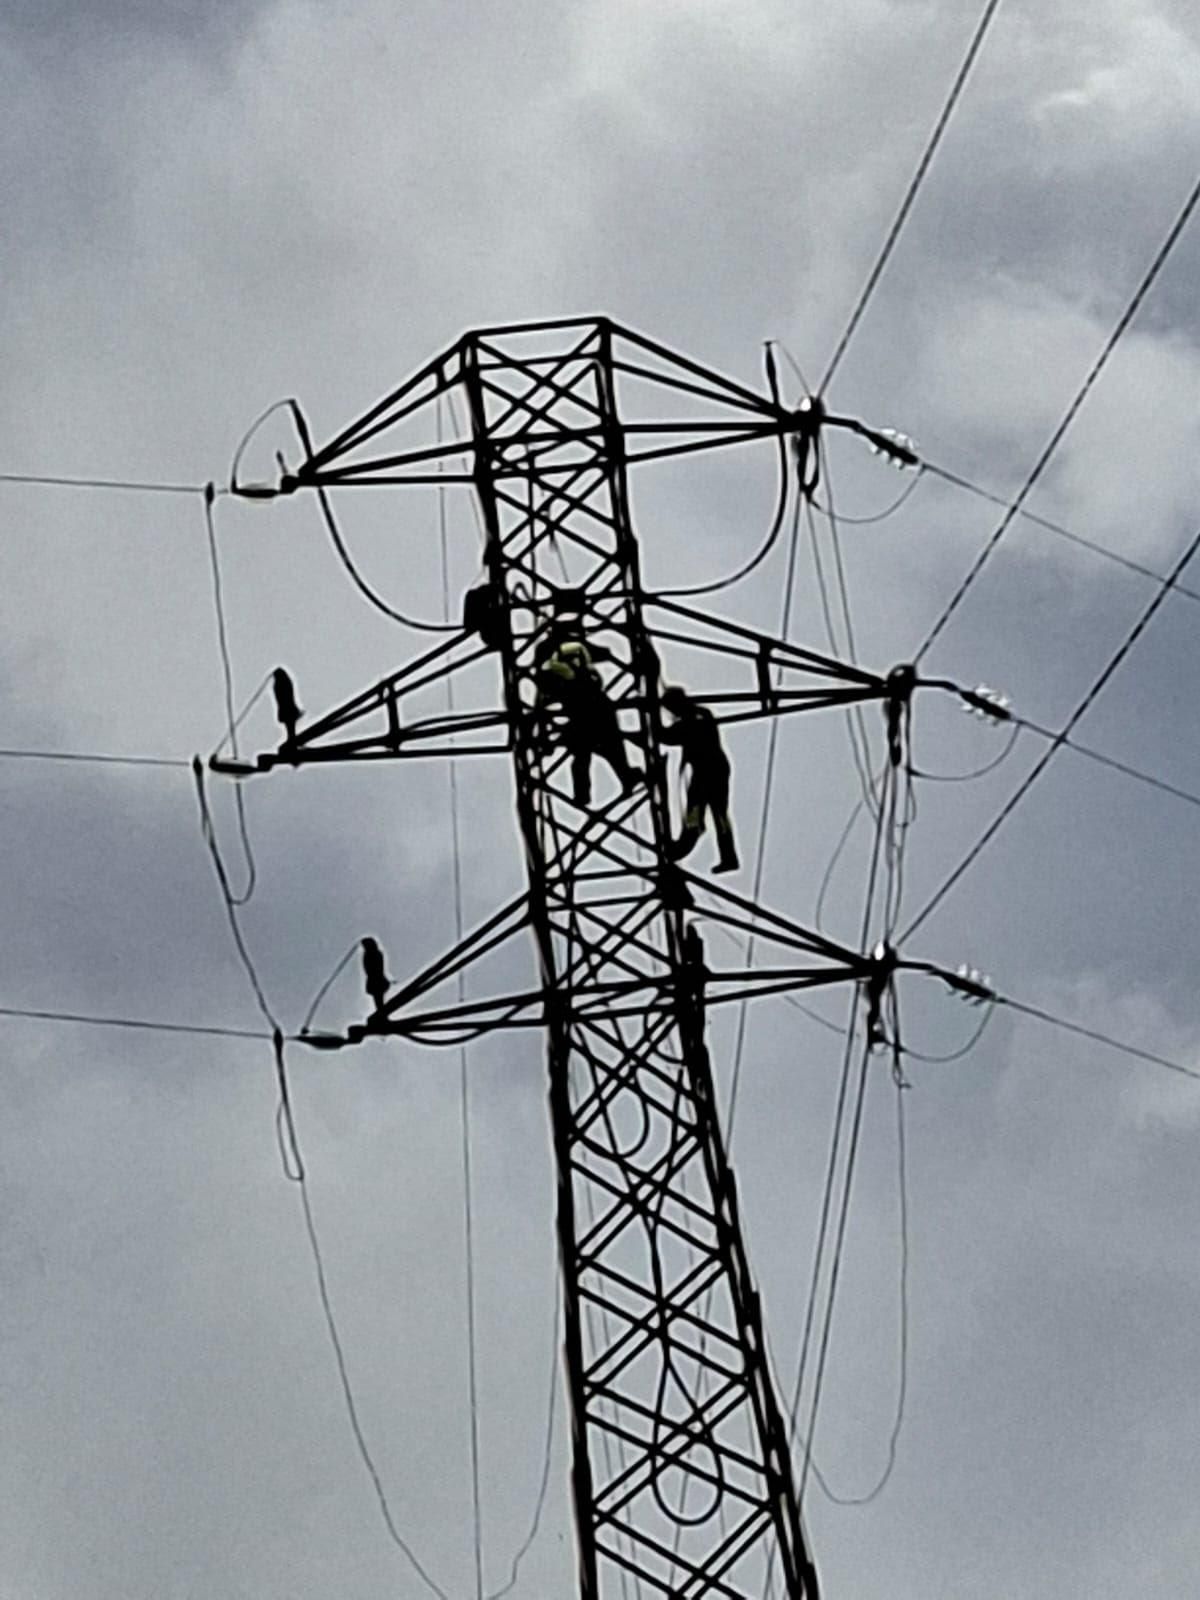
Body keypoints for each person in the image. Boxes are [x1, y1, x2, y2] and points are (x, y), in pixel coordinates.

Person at [536, 626, 639, 806]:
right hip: (595, 709)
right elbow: (601, 653)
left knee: (585, 756)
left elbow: (544, 697)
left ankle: (586, 793)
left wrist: (545, 735)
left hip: (583, 713)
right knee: (611, 749)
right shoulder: (572, 649)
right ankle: (625, 777)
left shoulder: (549, 656)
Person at [660, 685, 739, 874]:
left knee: (700, 809)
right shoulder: (701, 713)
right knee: (718, 813)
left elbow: (666, 736)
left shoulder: (692, 719)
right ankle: (726, 855)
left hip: (708, 769)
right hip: (715, 767)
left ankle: (688, 839)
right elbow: (671, 735)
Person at [272, 668, 302, 746]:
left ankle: (291, 739)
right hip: (287, 708)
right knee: (290, 726)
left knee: (290, 726)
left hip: (287, 708)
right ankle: (291, 739)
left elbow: (281, 695)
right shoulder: (285, 682)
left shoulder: (281, 683)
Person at [361, 936, 391, 1013]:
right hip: (376, 979)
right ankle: (381, 1012)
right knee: (378, 999)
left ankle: (381, 1012)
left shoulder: (372, 954)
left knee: (378, 998)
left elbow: (374, 968)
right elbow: (367, 968)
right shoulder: (373, 954)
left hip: (376, 979)